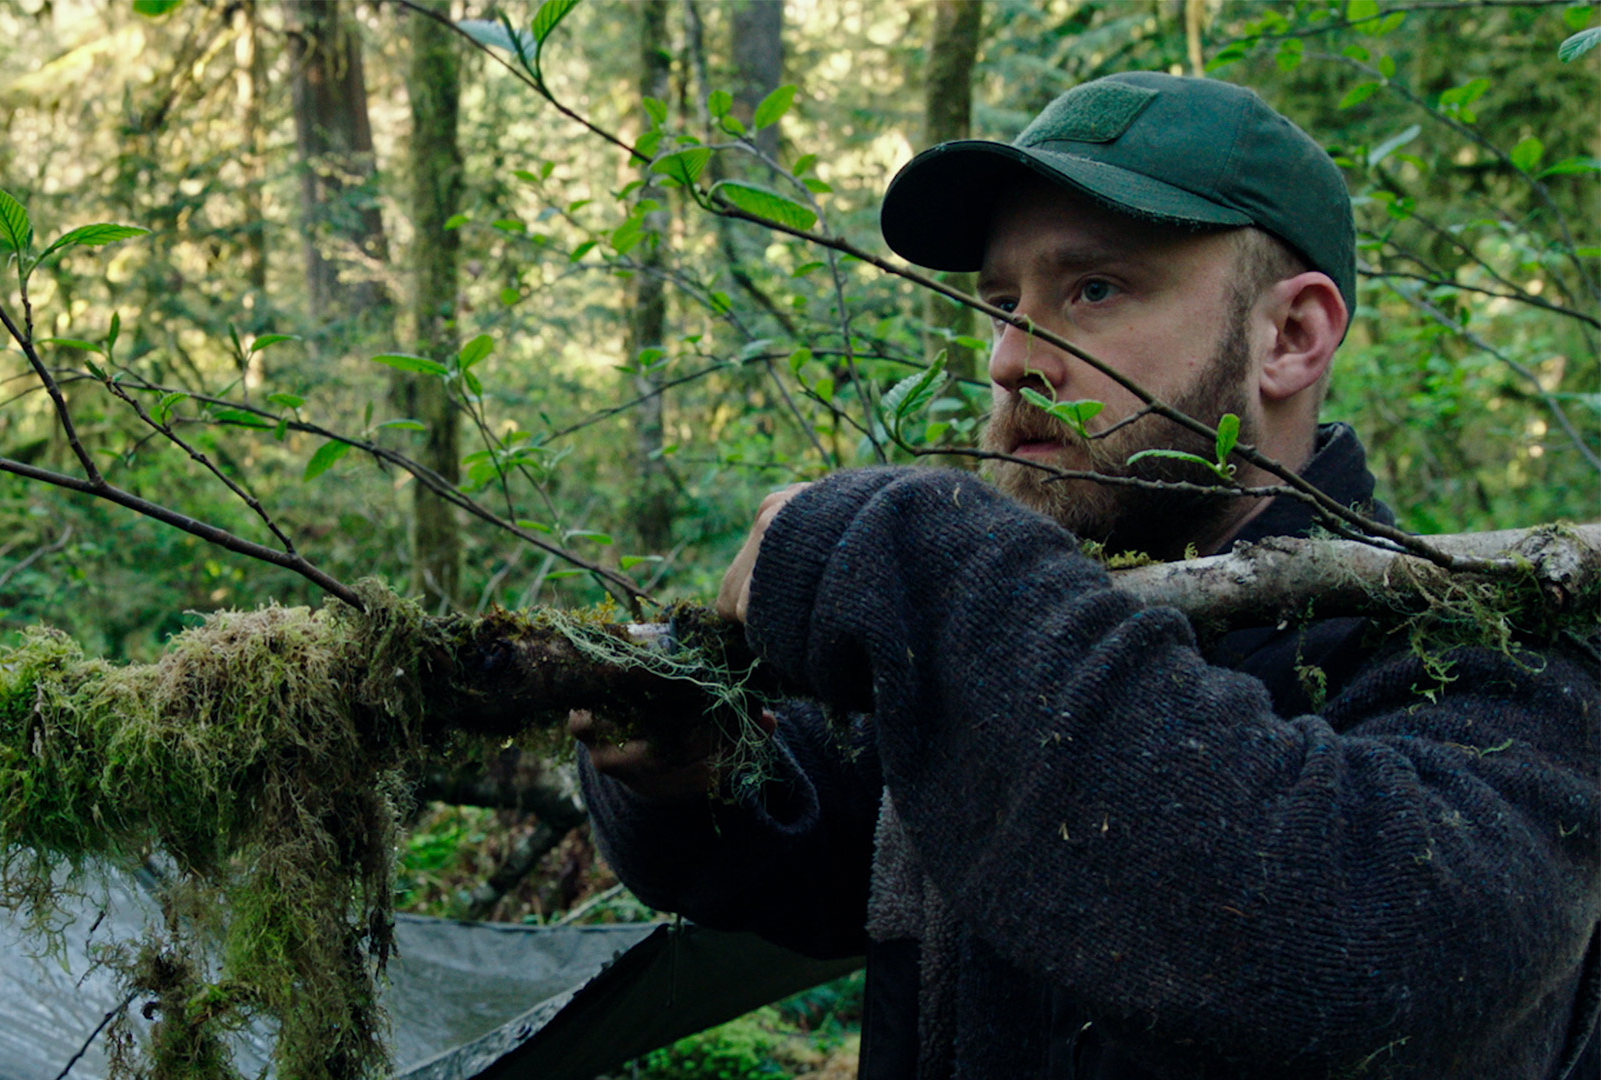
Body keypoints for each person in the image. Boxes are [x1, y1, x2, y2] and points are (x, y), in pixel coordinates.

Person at [571, 72, 1601, 1079]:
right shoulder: (1020, 651)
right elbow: (788, 853)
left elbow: (1373, 971)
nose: (1010, 358)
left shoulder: (1502, 666)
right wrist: (686, 774)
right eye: (1004, 302)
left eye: (1093, 289)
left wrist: (917, 553)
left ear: (1289, 337)